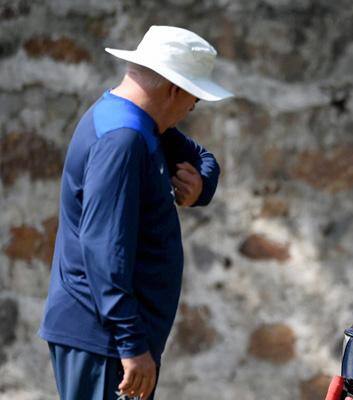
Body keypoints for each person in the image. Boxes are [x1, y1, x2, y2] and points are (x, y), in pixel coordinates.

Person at [38, 26, 233, 400]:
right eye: (194, 97)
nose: (193, 107)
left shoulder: (139, 123)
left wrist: (200, 187)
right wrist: (131, 345)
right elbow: (102, 251)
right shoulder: (123, 139)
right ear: (174, 88)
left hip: (110, 339)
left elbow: (202, 158)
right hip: (104, 341)